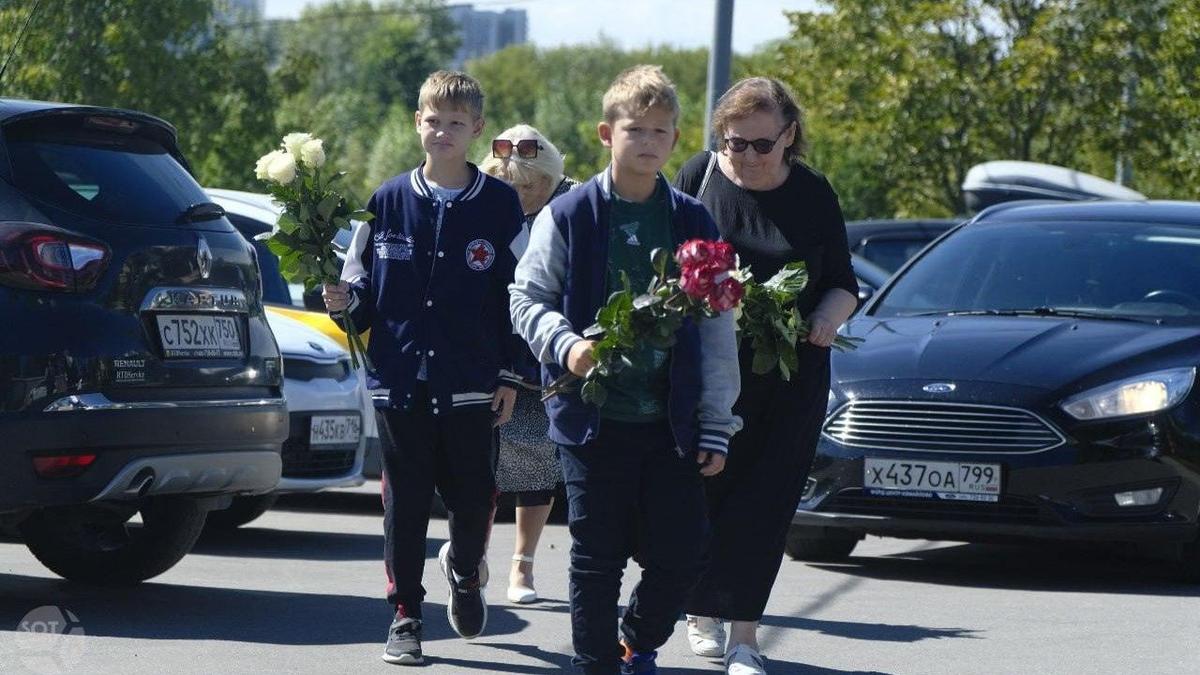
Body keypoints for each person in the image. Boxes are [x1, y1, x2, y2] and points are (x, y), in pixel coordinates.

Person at [509, 65, 742, 675]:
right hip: (593, 417)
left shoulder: (695, 221)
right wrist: (565, 344)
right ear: (605, 134)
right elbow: (525, 297)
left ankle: (636, 641)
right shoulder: (570, 215)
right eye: (635, 128)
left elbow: (718, 328)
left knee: (684, 553)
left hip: (671, 420)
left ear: (675, 139)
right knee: (596, 554)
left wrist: (716, 421)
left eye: (661, 131)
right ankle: (596, 665)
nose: (648, 142)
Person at [323, 70, 527, 666]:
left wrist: (512, 374)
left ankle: (465, 573)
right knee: (404, 506)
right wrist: (342, 304)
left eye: (456, 123)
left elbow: (521, 296)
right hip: (400, 383)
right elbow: (359, 294)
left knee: (471, 501)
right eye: (433, 120)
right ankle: (407, 615)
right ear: (417, 122)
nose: (442, 131)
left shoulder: (498, 205)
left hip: (471, 385)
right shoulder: (384, 201)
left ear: (477, 131)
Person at [673, 77, 859, 675]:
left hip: (791, 373)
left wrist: (828, 318)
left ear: (789, 136)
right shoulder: (698, 180)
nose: (747, 158)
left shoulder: (813, 194)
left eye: (761, 145)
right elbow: (666, 270)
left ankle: (745, 638)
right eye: (735, 144)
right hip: (710, 374)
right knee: (703, 494)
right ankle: (700, 608)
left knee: (765, 503)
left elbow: (842, 282)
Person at [478, 124, 579, 605]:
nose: (517, 195)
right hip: (487, 348)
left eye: (526, 187)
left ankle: (523, 566)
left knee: (536, 460)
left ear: (549, 178)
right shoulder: (482, 204)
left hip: (543, 352)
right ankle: (469, 555)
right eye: (507, 185)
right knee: (476, 460)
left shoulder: (570, 207)